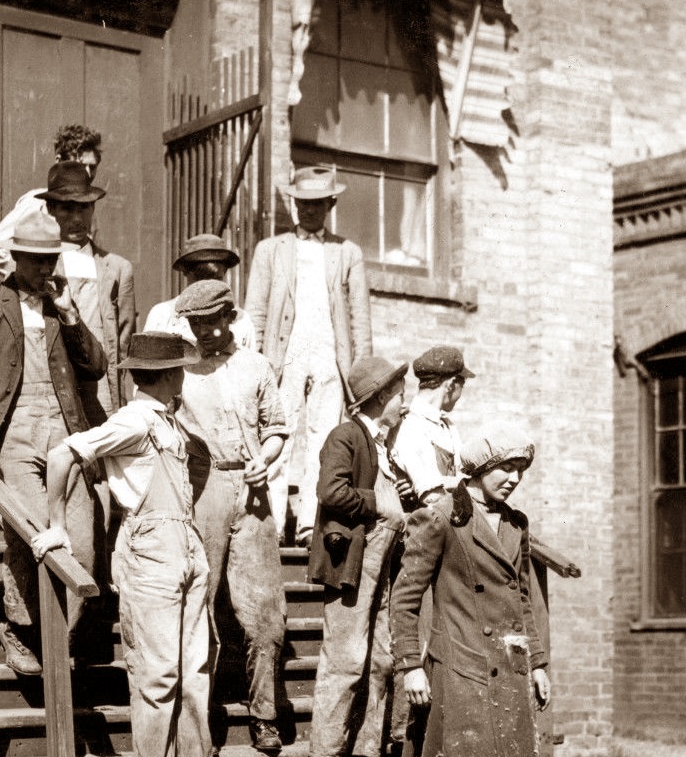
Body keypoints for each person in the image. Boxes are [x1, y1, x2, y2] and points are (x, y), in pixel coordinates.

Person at [32, 333, 221, 757]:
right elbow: (63, 455)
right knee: (158, 668)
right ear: (166, 375)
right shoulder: (135, 420)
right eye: (178, 368)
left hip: (186, 543)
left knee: (195, 666)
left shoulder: (171, 423)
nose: (184, 375)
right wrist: (58, 526)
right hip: (151, 548)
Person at [390, 423, 553, 757]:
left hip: (507, 663)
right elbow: (405, 597)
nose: (513, 480)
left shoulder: (516, 525)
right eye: (505, 470)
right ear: (478, 470)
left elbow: (524, 597)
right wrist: (409, 664)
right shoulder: (441, 517)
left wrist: (541, 661)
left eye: (521, 471)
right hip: (458, 661)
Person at [0, 209, 107, 676]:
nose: (46, 269)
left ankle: (60, 636)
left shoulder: (61, 304)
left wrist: (71, 316)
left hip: (65, 429)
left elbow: (97, 367)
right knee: (32, 528)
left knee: (81, 544)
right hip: (15, 430)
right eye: (37, 260)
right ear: (15, 258)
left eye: (51, 259)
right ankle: (19, 629)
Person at [171, 279, 290, 753]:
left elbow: (277, 427)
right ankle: (199, 723)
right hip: (204, 489)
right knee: (201, 604)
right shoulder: (180, 369)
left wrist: (268, 456)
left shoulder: (255, 365)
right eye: (195, 324)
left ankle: (264, 714)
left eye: (210, 323)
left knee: (265, 614)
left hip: (253, 492)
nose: (203, 332)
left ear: (229, 317)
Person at [245, 165, 372, 539]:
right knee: (278, 436)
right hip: (285, 355)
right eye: (302, 202)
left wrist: (359, 377)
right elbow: (256, 311)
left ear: (330, 203)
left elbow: (359, 319)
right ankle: (272, 522)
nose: (308, 210)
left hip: (330, 355)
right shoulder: (271, 250)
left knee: (324, 440)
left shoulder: (347, 252)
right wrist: (258, 365)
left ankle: (308, 523)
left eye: (317, 203)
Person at [302, 356, 408, 757]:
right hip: (353, 562)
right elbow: (330, 492)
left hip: (384, 561)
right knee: (345, 658)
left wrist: (396, 494)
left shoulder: (381, 443)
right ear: (381, 397)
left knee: (381, 658)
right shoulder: (346, 435)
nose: (405, 403)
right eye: (400, 394)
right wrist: (378, 498)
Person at [30, 160, 135, 416]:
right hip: (54, 387)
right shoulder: (38, 267)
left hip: (101, 393)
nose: (78, 218)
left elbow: (124, 348)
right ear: (50, 209)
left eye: (85, 208)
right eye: (67, 208)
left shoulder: (117, 269)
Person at [0, 124, 104, 275]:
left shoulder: (88, 208)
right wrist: (36, 278)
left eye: (93, 167)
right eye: (80, 165)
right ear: (59, 160)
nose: (87, 173)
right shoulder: (37, 202)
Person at [142, 233, 257, 351]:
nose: (206, 288)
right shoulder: (162, 315)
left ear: (224, 273)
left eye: (215, 279)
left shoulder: (241, 322)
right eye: (200, 279)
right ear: (185, 273)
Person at [391, 345, 474, 506]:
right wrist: (472, 485)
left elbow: (463, 472)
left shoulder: (446, 425)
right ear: (450, 385)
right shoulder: (409, 426)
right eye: (462, 385)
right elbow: (431, 494)